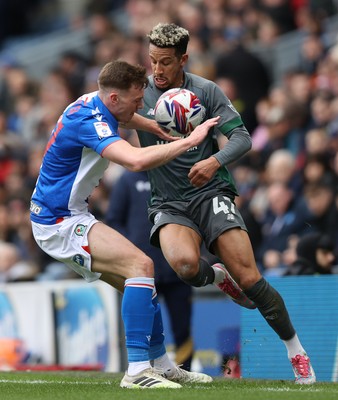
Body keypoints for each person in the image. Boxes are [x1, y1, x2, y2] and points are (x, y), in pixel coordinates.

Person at [128, 23, 316, 384]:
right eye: (152, 61)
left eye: (165, 62)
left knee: (250, 276)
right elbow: (111, 109)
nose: (157, 70)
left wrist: (215, 161)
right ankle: (216, 276)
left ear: (183, 59)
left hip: (210, 193)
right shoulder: (141, 93)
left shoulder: (205, 90)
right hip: (168, 201)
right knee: (184, 266)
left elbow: (242, 138)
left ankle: (296, 351)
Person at [29, 59, 219, 389]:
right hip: (57, 221)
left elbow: (127, 117)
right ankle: (137, 372)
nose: (139, 106)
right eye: (135, 100)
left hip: (64, 213)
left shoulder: (94, 101)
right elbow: (134, 161)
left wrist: (155, 129)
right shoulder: (92, 121)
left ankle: (160, 364)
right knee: (141, 264)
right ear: (114, 98)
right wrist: (190, 141)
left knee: (142, 285)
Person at [106, 169, 195, 371]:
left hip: (176, 271)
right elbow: (114, 220)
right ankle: (141, 367)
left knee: (182, 328)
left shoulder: (175, 175)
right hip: (141, 272)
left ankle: (184, 370)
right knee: (142, 324)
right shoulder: (127, 179)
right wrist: (130, 250)